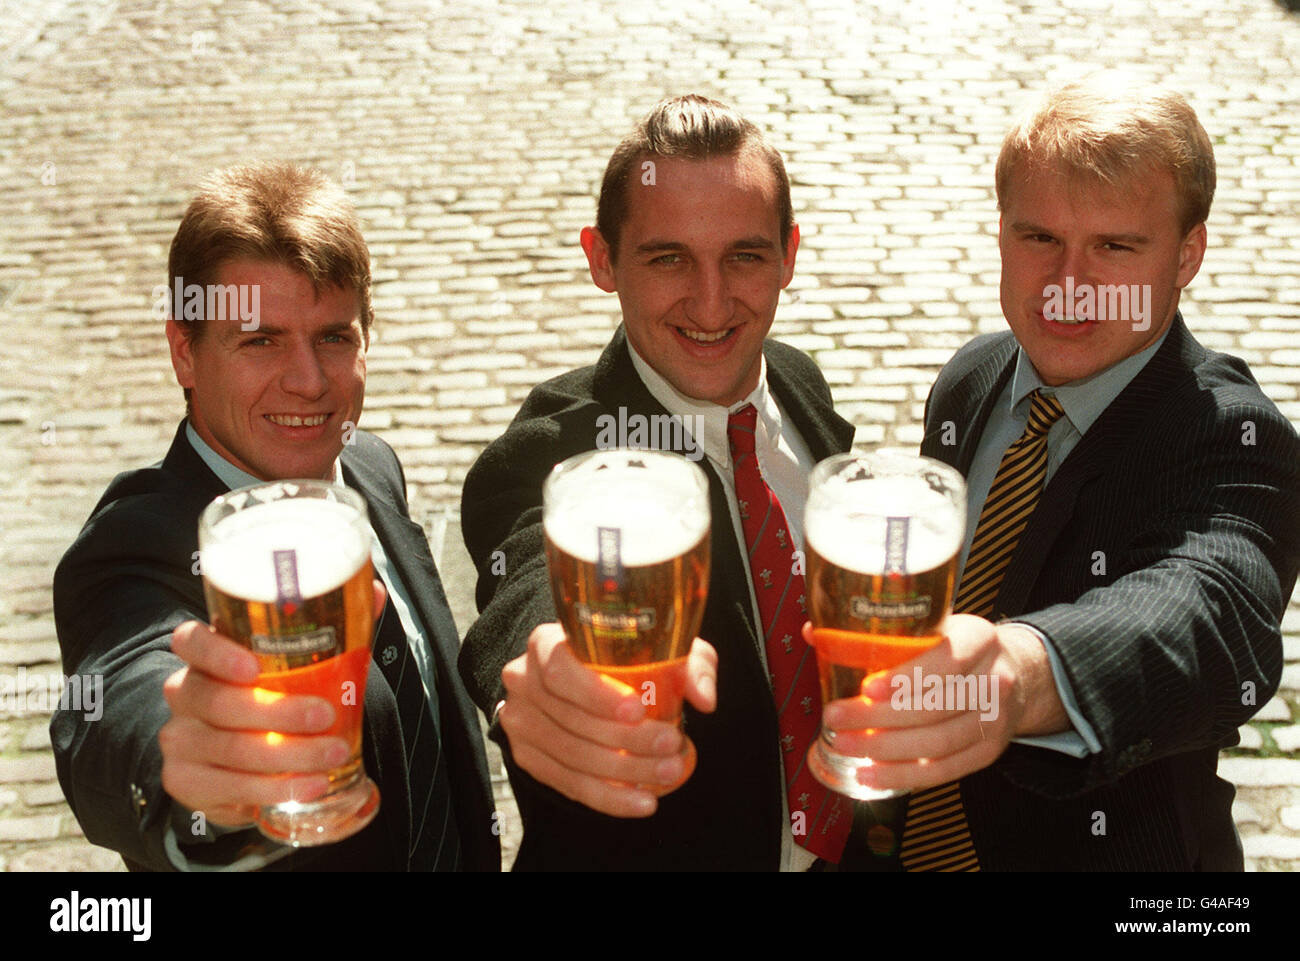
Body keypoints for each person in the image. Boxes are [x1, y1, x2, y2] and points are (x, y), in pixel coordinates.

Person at [822, 76, 1300, 870]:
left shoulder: (1234, 436)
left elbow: (1210, 611)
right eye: (1039, 237)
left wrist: (1017, 675)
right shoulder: (971, 378)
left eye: (1114, 247)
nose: (1068, 283)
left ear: (1187, 254)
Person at [52, 162, 499, 871]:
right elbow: (125, 693)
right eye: (260, 340)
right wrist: (193, 766)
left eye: (333, 337)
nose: (310, 380)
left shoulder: (371, 468)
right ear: (184, 353)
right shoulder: (132, 548)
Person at [458, 95, 859, 870]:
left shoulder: (802, 387)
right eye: (668, 257)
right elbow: (528, 581)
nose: (711, 303)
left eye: (744, 255)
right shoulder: (552, 455)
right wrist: (551, 672)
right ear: (601, 259)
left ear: (790, 254)